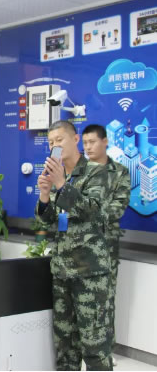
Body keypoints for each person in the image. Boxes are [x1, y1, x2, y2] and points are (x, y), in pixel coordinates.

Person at [34, 120, 113, 371]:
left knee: (95, 346)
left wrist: (61, 186)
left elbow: (94, 211)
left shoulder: (96, 172)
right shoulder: (59, 175)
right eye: (51, 142)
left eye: (59, 140)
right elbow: (49, 221)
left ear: (75, 139)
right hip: (62, 272)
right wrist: (44, 196)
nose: (54, 146)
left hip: (90, 274)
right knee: (65, 346)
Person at [82, 124, 130, 366]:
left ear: (105, 142)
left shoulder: (119, 172)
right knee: (80, 300)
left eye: (92, 142)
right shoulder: (79, 171)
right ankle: (83, 349)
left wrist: (87, 214)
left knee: (105, 299)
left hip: (105, 245)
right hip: (78, 246)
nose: (88, 147)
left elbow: (118, 207)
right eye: (84, 143)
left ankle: (105, 351)